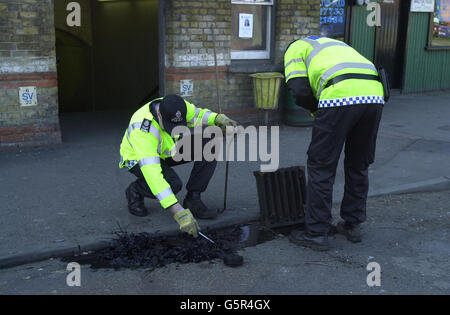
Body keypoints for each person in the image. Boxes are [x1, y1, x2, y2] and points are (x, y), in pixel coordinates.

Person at [284, 35, 385, 251]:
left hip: (339, 95)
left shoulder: (294, 50)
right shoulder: (334, 44)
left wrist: (316, 111)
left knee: (321, 165)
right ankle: (352, 224)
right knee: (358, 163)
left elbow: (300, 91)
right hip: (375, 96)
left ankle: (316, 233)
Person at [119, 94, 238, 237]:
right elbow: (153, 173)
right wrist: (178, 213)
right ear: (159, 114)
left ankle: (193, 199)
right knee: (173, 184)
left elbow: (198, 115)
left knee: (209, 144)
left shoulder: (178, 107)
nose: (174, 129)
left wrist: (218, 119)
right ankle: (136, 190)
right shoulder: (143, 128)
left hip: (167, 149)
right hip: (138, 158)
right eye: (171, 126)